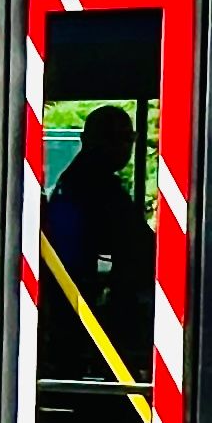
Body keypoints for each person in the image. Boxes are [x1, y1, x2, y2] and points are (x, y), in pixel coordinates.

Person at [42, 106, 154, 374]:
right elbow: (135, 240)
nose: (125, 148)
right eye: (121, 138)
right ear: (94, 140)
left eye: (130, 138)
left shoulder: (78, 179)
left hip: (72, 290)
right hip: (76, 295)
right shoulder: (94, 184)